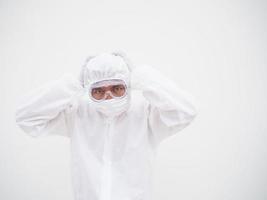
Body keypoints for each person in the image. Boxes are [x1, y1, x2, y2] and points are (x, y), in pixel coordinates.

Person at [15, 51, 198, 200]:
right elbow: (26, 117)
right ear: (88, 91)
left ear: (127, 85)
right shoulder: (78, 114)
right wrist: (72, 85)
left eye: (117, 88)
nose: (108, 96)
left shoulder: (146, 115)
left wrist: (143, 78)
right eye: (99, 91)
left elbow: (186, 111)